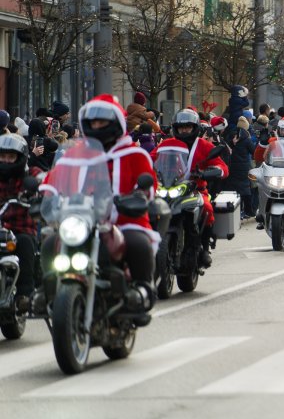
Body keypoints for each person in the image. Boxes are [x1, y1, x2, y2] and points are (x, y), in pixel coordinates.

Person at [38, 95, 158, 321]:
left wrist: (139, 196)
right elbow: (52, 181)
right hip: (80, 221)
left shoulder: (134, 154)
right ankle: (47, 291)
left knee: (137, 242)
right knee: (49, 243)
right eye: (92, 123)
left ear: (116, 123)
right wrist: (45, 196)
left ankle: (142, 291)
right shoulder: (74, 155)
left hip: (122, 220)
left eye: (102, 122)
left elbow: (148, 185)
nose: (96, 127)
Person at [152, 108, 228, 266]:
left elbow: (221, 165)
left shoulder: (204, 145)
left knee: (207, 207)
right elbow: (151, 157)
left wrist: (214, 171)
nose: (184, 130)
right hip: (169, 187)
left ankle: (205, 248)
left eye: (188, 127)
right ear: (175, 128)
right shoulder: (167, 144)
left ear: (195, 128)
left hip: (196, 189)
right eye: (181, 127)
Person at [0, 134, 40, 312]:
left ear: (20, 157)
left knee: (25, 242)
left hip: (21, 227)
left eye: (11, 157)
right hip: (0, 228)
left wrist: (39, 189)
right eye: (2, 156)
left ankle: (25, 294)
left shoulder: (30, 173)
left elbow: (45, 181)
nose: (6, 161)